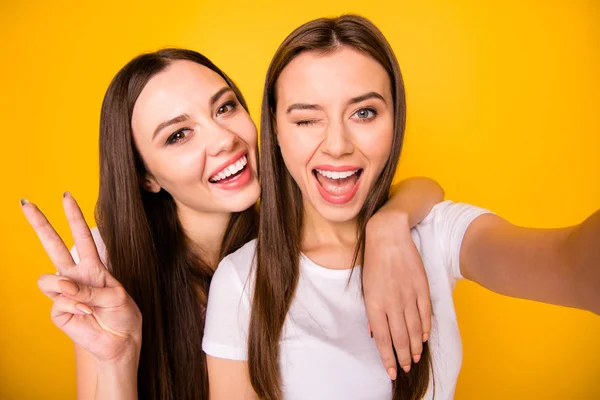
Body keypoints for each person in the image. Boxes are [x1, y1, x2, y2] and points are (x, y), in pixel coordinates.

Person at [202, 14, 600, 400]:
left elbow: (571, 265)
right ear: (274, 130)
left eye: (364, 113)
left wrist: (388, 226)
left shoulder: (434, 233)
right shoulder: (241, 281)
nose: (338, 144)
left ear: (395, 118)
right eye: (307, 120)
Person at [22, 48, 445, 399]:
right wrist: (117, 360)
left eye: (225, 107)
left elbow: (425, 188)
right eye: (178, 135)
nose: (224, 139)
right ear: (145, 177)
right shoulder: (107, 266)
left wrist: (388, 224)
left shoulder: (300, 232)